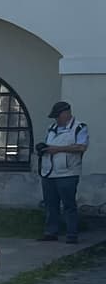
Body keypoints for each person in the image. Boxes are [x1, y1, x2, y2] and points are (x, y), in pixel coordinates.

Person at [39, 101, 88, 244]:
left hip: (68, 172)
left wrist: (58, 149)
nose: (56, 119)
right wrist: (44, 149)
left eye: (58, 116)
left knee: (69, 205)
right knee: (50, 204)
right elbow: (50, 145)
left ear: (67, 113)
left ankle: (71, 234)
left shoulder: (79, 127)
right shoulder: (52, 128)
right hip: (49, 171)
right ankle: (51, 232)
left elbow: (81, 147)